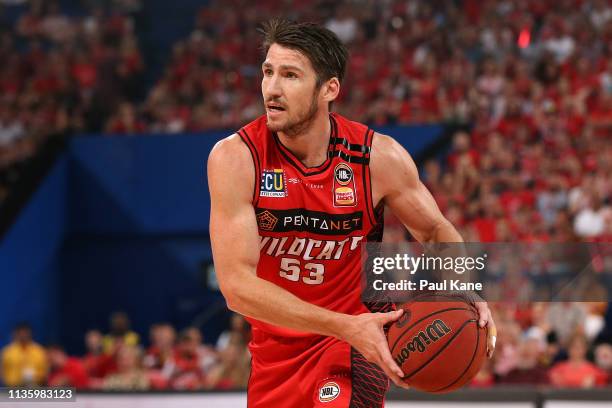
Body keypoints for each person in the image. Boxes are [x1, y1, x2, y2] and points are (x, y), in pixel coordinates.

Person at [208, 19, 496, 407]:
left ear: (329, 89)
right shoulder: (237, 158)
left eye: (290, 75)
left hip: (359, 340)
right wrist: (342, 324)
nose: (272, 89)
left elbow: (433, 230)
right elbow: (236, 286)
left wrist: (466, 286)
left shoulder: (377, 157)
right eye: (268, 72)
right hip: (275, 353)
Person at [0, 323, 48, 387]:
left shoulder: (39, 351)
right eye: (21, 333)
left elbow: (45, 370)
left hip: (34, 387)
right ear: (16, 334)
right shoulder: (7, 352)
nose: (23, 335)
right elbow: (2, 370)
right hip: (12, 388)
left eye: (25, 333)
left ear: (30, 334)